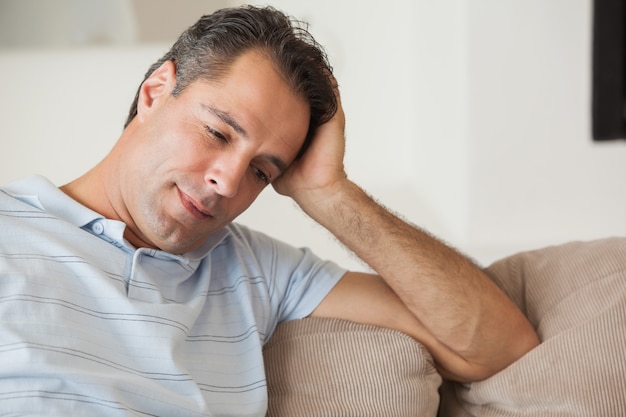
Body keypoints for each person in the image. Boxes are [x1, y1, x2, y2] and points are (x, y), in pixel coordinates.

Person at [0, 5, 539, 416]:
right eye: (217, 132)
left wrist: (331, 193)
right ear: (155, 91)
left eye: (263, 170)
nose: (227, 181)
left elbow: (496, 346)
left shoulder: (253, 270)